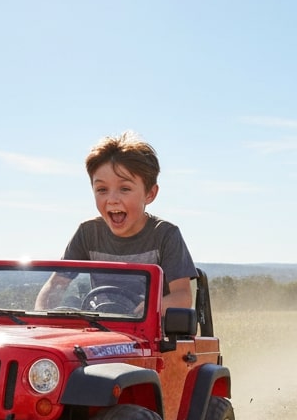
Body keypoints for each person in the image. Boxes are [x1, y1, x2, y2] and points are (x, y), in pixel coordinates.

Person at [36, 132, 196, 312]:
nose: (112, 199)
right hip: (101, 325)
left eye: (124, 188)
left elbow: (182, 296)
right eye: (102, 189)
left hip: (153, 330)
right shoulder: (88, 233)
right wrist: (40, 315)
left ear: (150, 194)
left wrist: (148, 310)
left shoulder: (165, 234)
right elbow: (55, 285)